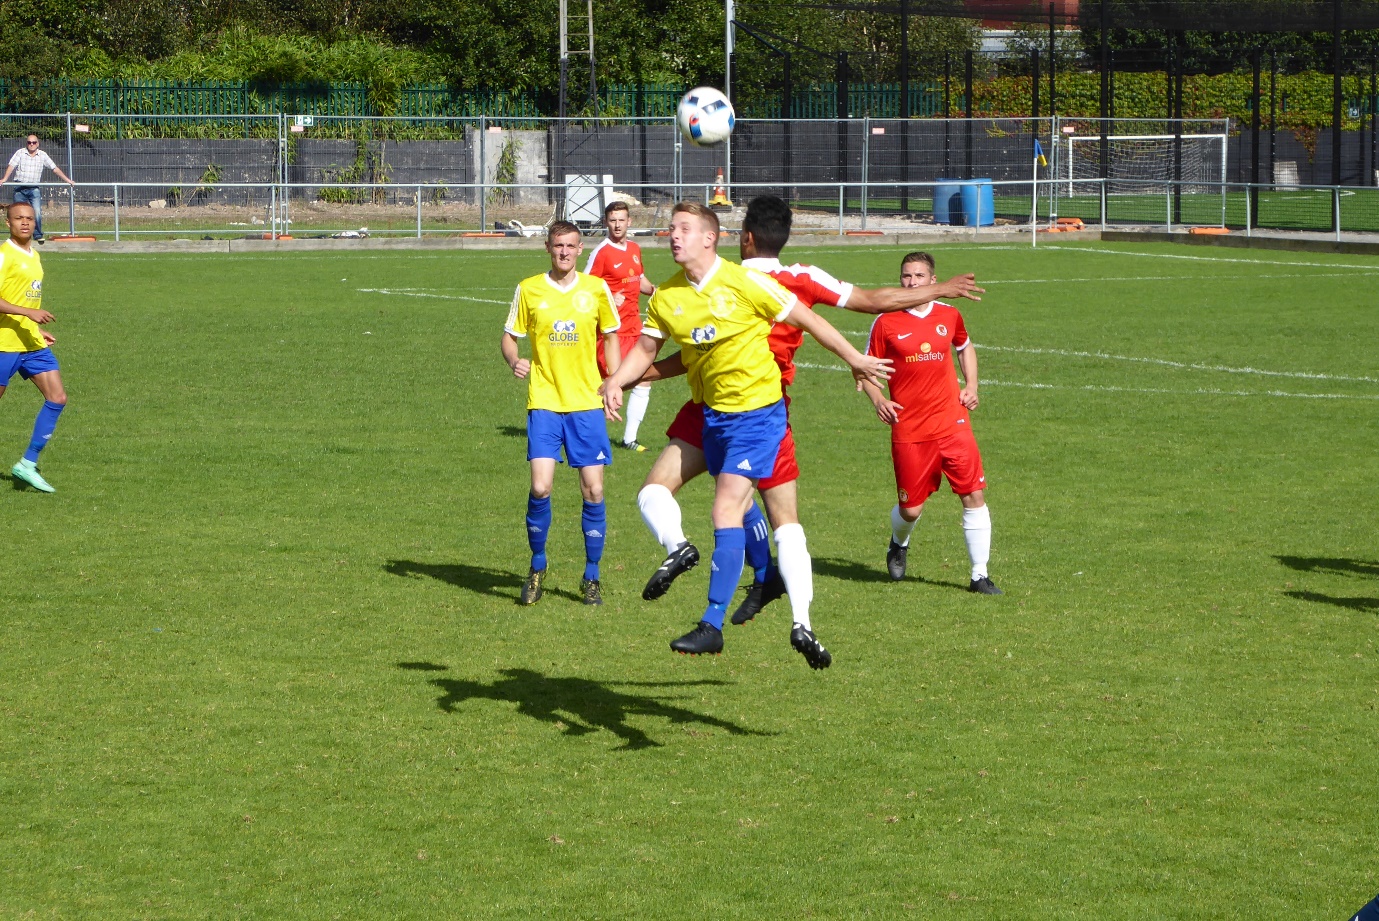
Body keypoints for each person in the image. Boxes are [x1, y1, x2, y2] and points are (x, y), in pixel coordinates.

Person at [629, 195, 984, 628]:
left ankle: (745, 587)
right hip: (763, 406)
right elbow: (873, 300)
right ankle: (775, 594)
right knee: (757, 506)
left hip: (729, 406)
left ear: (744, 237)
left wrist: (631, 376)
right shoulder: (801, 278)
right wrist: (938, 290)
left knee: (727, 500)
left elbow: (692, 352)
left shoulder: (726, 279)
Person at [601, 201, 893, 668]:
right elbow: (647, 348)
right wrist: (617, 380)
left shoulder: (746, 281)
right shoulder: (668, 295)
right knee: (674, 495)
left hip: (758, 414)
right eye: (671, 228)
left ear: (710, 237)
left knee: (726, 508)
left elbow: (809, 319)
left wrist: (854, 359)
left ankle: (712, 624)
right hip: (712, 414)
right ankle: (757, 576)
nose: (673, 235)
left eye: (684, 228)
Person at [859, 251, 1001, 594]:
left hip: (953, 422)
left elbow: (964, 347)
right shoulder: (885, 322)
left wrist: (972, 385)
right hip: (910, 428)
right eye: (906, 276)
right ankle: (899, 542)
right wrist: (878, 399)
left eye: (919, 276)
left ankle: (979, 576)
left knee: (974, 494)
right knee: (911, 509)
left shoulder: (949, 314)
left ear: (933, 280)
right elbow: (864, 370)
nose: (912, 282)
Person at [501, 221, 623, 606]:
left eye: (571, 246)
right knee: (540, 487)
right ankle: (537, 566)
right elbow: (509, 337)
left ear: (580, 248)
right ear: (548, 248)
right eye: (558, 246)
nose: (565, 252)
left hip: (586, 403)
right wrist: (514, 360)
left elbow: (611, 336)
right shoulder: (529, 289)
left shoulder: (596, 289)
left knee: (594, 490)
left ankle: (592, 575)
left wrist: (614, 381)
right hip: (545, 401)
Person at [0, 202, 67, 493]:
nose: (25, 223)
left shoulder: (35, 255)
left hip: (30, 342)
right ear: (8, 223)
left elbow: (23, 298)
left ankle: (28, 463)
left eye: (29, 218)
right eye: (19, 218)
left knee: (58, 397)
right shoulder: (4, 255)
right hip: (4, 343)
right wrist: (28, 313)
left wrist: (35, 328)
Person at [583, 200, 656, 451]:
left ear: (629, 222)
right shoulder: (601, 252)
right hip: (611, 331)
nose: (617, 225)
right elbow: (584, 288)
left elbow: (639, 279)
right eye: (612, 220)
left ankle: (629, 439)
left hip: (635, 327)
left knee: (643, 379)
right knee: (607, 383)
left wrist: (655, 291)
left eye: (621, 220)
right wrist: (608, 298)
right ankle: (587, 435)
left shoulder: (634, 248)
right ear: (606, 222)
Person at [1, 135, 76, 245]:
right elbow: (11, 166)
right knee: (18, 213)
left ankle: (37, 235)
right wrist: (4, 179)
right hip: (19, 187)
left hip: (34, 188)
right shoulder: (20, 153)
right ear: (26, 143)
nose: (31, 144)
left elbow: (54, 169)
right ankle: (16, 236)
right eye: (29, 142)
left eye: (34, 142)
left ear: (38, 143)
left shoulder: (43, 155)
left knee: (36, 212)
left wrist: (68, 180)